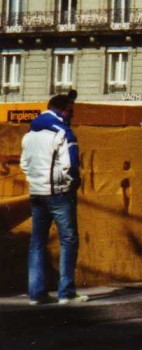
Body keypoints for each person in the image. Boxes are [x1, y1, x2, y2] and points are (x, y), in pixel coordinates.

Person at [20, 92, 86, 305]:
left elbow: (24, 164)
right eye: (71, 111)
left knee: (37, 243)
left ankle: (36, 294)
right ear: (62, 110)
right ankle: (66, 293)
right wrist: (71, 183)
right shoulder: (64, 132)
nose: (73, 115)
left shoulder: (30, 133)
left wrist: (36, 182)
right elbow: (71, 165)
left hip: (37, 193)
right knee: (68, 240)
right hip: (59, 193)